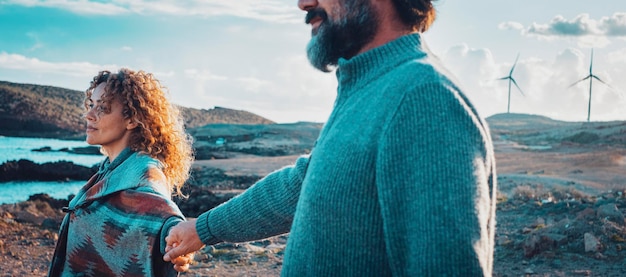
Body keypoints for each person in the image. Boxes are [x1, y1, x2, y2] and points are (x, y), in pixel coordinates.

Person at [164, 0, 497, 275]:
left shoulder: (423, 97)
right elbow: (301, 186)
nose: (303, 4)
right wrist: (201, 229)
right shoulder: (370, 88)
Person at [48, 68, 195, 277]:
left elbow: (161, 209)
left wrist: (174, 236)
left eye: (103, 107)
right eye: (91, 105)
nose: (89, 115)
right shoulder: (110, 170)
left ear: (132, 119)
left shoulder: (144, 172)